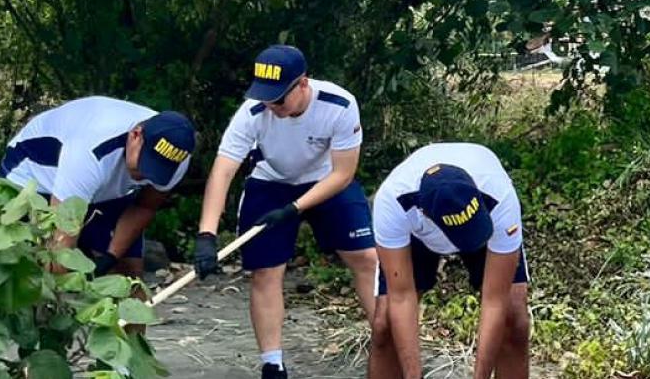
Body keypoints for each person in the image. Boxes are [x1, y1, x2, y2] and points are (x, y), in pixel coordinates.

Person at [194, 45, 384, 379]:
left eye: (279, 98)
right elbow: (222, 171)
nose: (272, 106)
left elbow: (344, 174)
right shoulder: (252, 113)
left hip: (328, 180)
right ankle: (273, 364)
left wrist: (294, 209)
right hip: (270, 183)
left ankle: (387, 344)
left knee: (367, 258)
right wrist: (206, 236)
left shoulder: (339, 106)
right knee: (266, 271)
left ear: (303, 84)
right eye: (265, 97)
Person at [372, 143, 532, 379]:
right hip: (417, 233)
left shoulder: (499, 196)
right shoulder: (393, 201)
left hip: (487, 220)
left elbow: (495, 300)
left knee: (514, 318)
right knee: (384, 325)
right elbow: (401, 296)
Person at [0, 97, 197, 278]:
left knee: (128, 276)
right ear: (136, 135)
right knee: (29, 266)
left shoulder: (176, 157)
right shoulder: (91, 150)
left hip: (105, 190)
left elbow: (145, 207)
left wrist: (111, 256)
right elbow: (61, 239)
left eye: (156, 170)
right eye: (146, 163)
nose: (145, 175)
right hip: (34, 178)